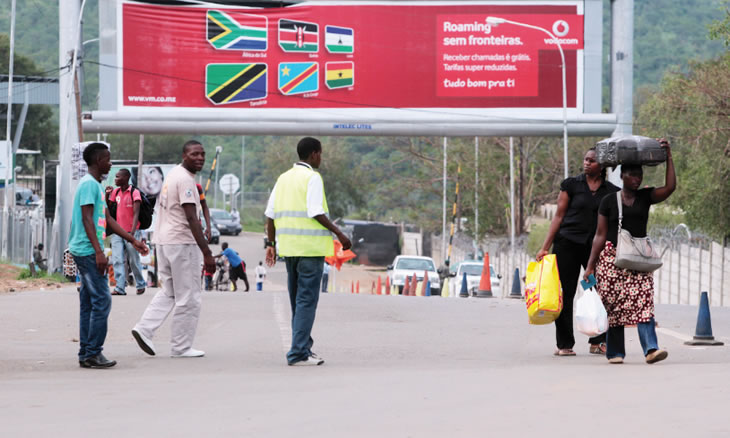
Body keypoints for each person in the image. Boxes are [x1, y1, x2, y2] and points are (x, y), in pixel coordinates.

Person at [585, 139, 675, 364]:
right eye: (633, 175)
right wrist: (590, 266)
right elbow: (599, 235)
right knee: (613, 305)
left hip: (639, 260)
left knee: (644, 302)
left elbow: (670, 187)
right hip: (611, 260)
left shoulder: (645, 197)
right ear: (622, 176)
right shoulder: (608, 201)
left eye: (640, 175)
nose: (638, 179)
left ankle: (651, 349)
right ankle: (615, 353)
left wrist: (669, 156)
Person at [265, 137, 352, 366]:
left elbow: (270, 214)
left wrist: (271, 245)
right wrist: (339, 233)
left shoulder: (283, 178)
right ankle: (298, 354)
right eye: (320, 154)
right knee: (306, 301)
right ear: (314, 154)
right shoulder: (312, 177)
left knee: (297, 301)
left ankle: (303, 347)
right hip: (310, 251)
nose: (320, 158)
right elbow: (315, 211)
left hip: (289, 250)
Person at [131, 140, 216, 359]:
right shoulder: (185, 180)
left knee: (170, 291)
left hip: (164, 241)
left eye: (202, 154)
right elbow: (191, 217)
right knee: (189, 296)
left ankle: (144, 328)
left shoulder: (172, 176)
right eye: (194, 154)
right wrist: (206, 253)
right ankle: (181, 347)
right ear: (184, 155)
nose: (200, 158)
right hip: (182, 243)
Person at [69, 142, 148, 369]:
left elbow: (109, 221)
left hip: (87, 249)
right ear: (97, 161)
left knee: (89, 303)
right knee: (102, 301)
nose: (110, 163)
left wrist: (133, 240)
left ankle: (86, 352)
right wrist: (98, 252)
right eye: (107, 159)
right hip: (87, 250)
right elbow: (86, 219)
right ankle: (93, 352)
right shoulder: (88, 185)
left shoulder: (95, 185)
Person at [536, 147, 619, 357]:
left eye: (592, 160)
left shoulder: (611, 191)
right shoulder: (571, 185)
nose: (587, 163)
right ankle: (564, 343)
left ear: (601, 166)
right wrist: (545, 246)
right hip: (567, 245)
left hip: (595, 250)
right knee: (566, 293)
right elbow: (558, 216)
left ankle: (597, 341)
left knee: (598, 292)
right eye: (585, 159)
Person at [108, 169, 147, 296]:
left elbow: (136, 213)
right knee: (117, 259)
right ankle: (120, 287)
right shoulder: (116, 192)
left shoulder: (134, 193)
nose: (115, 179)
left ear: (126, 178)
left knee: (133, 260)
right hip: (117, 232)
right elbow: (109, 208)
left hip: (131, 232)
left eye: (118, 177)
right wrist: (107, 194)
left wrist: (133, 232)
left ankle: (140, 283)